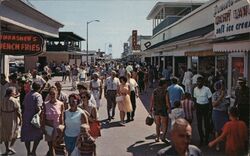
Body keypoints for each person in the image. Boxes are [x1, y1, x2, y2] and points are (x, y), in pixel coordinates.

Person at [21, 82, 44, 156]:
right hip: (34, 118)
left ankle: (28, 151)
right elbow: (38, 107)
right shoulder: (38, 95)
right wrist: (41, 111)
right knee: (38, 135)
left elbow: (24, 105)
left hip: (26, 117)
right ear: (39, 88)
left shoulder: (27, 95)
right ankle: (33, 151)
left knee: (27, 136)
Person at [43, 86, 65, 156]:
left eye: (53, 94)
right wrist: (43, 127)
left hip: (57, 126)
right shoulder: (45, 104)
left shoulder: (61, 104)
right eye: (50, 94)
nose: (52, 95)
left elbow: (62, 117)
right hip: (48, 126)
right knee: (50, 145)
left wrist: (62, 128)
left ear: (57, 94)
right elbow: (43, 117)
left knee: (57, 145)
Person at [1, 87, 22, 155]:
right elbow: (18, 111)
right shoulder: (14, 100)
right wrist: (21, 119)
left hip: (4, 117)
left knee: (5, 133)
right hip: (12, 117)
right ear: (11, 93)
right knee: (15, 132)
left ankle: (7, 148)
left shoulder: (2, 100)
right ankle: (11, 146)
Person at [193, 76, 212, 145]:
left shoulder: (207, 89)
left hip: (206, 107)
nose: (198, 83)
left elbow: (210, 99)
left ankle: (206, 139)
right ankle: (201, 138)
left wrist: (210, 109)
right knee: (199, 124)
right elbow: (194, 98)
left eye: (200, 82)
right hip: (198, 107)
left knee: (206, 124)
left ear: (203, 82)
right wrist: (195, 106)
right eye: (197, 82)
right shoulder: (195, 89)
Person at [150, 78, 170, 142]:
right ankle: (163, 137)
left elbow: (152, 100)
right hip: (163, 109)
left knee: (157, 124)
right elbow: (167, 102)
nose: (167, 85)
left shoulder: (155, 91)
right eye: (166, 83)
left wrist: (151, 108)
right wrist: (169, 108)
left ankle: (157, 137)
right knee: (165, 124)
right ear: (164, 84)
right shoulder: (165, 91)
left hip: (156, 109)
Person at [211, 80, 229, 151]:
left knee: (226, 129)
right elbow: (214, 104)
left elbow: (228, 102)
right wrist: (221, 97)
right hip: (217, 113)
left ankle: (227, 144)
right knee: (217, 130)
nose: (223, 87)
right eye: (222, 85)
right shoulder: (214, 94)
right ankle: (217, 144)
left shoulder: (226, 93)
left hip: (224, 113)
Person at [0, 74, 10, 143]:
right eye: (1, 78)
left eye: (2, 78)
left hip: (7, 102)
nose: (1, 79)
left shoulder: (8, 84)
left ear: (5, 78)